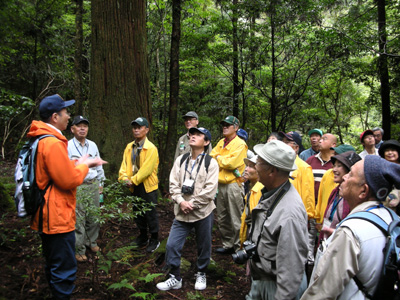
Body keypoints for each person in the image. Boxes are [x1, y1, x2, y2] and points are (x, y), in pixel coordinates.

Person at [28, 94, 106, 299]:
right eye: (66, 113)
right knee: (63, 268)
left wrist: (75, 165)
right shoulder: (52, 143)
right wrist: (84, 165)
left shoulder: (40, 139)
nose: (68, 116)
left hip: (47, 212)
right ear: (55, 117)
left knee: (54, 263)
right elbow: (67, 180)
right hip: (56, 216)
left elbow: (55, 172)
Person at [301, 155, 400, 299]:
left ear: (363, 191)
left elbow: (321, 293)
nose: (344, 177)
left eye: (351, 174)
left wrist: (344, 239)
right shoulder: (390, 217)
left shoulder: (351, 231)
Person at [156, 127, 218, 291]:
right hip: (181, 212)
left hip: (203, 212)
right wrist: (181, 201)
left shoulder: (210, 163)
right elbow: (173, 184)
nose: (192, 136)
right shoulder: (181, 160)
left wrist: (192, 204)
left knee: (204, 245)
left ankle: (201, 272)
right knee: (171, 245)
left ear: (206, 142)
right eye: (192, 134)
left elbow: (210, 190)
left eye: (198, 135)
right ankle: (174, 277)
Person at [245, 140, 308, 299]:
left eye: (258, 163)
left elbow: (291, 270)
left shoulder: (289, 213)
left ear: (272, 171)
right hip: (263, 280)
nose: (255, 167)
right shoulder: (271, 193)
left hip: (277, 288)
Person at [118, 117, 160, 253]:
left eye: (139, 127)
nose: (136, 130)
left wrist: (133, 180)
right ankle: (143, 236)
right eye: (134, 127)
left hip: (147, 186)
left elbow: (146, 170)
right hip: (133, 185)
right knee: (137, 212)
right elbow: (124, 164)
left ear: (146, 130)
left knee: (150, 213)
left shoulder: (151, 148)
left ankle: (155, 238)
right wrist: (123, 178)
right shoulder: (129, 147)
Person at [67, 116, 106, 262]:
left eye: (85, 126)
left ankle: (92, 242)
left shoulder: (93, 145)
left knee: (94, 215)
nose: (82, 128)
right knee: (79, 218)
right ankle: (79, 248)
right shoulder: (68, 146)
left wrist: (101, 183)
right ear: (72, 129)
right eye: (79, 126)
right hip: (78, 186)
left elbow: (99, 165)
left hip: (93, 184)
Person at [210, 115, 248, 254]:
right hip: (220, 184)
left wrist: (219, 158)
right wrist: (222, 159)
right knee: (222, 216)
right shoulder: (221, 142)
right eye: (223, 125)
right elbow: (211, 156)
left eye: (228, 125)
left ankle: (239, 247)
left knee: (236, 216)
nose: (225, 127)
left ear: (236, 128)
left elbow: (231, 163)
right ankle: (228, 244)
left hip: (233, 184)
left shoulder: (240, 144)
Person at [280, 131, 316, 268]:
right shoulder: (279, 164)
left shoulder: (303, 167)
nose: (283, 145)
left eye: (287, 142)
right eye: (282, 141)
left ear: (296, 148)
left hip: (296, 217)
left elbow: (307, 196)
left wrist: (306, 218)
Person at [305, 133, 336, 266]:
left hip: (330, 211)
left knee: (326, 243)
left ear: (333, 145)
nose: (319, 140)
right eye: (320, 138)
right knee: (309, 242)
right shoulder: (311, 161)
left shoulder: (337, 164)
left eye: (324, 139)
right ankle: (309, 268)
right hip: (312, 208)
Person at [318, 151, 361, 244]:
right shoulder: (335, 192)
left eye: (339, 166)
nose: (334, 169)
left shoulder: (354, 198)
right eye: (334, 165)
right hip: (326, 243)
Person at [239, 155, 264, 246]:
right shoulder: (249, 187)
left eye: (251, 167)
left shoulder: (261, 190)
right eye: (247, 166)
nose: (246, 169)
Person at [378, 140, 400, 211]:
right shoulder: (380, 169)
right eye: (387, 151)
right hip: (385, 205)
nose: (390, 153)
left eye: (393, 150)